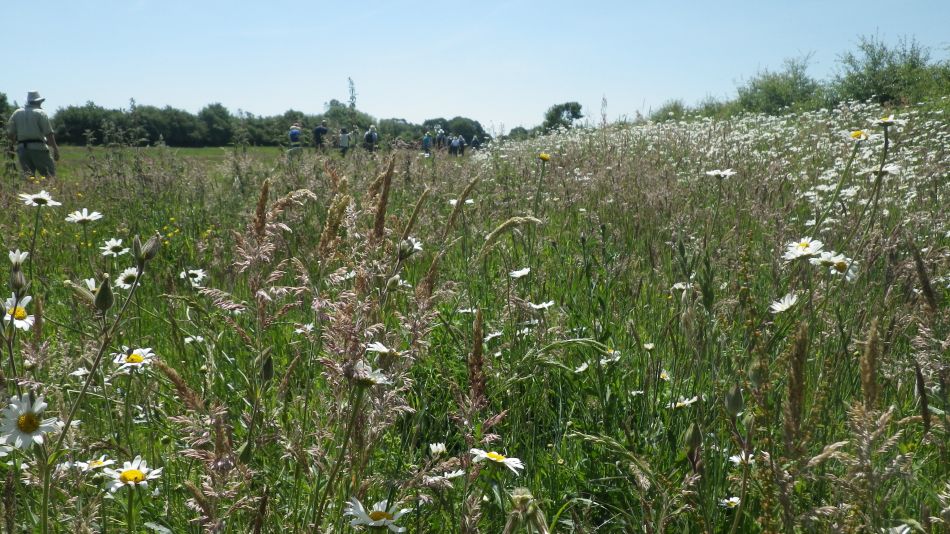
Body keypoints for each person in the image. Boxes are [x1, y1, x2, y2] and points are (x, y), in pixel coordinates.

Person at [6, 91, 59, 177]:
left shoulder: (17, 113)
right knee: (49, 176)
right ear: (38, 101)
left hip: (22, 150)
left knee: (28, 177)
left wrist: (10, 148)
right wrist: (55, 149)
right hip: (39, 149)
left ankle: (29, 186)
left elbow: (10, 134)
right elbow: (49, 133)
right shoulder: (40, 113)